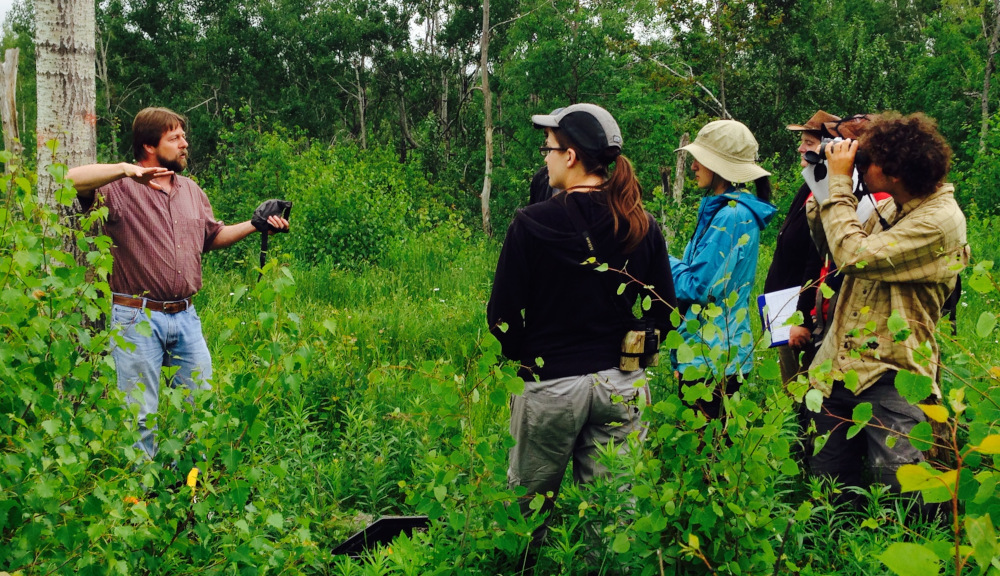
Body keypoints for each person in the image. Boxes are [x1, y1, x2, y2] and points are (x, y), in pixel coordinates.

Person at [487, 103, 676, 539]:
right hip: (622, 384)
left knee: (526, 514)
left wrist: (526, 358)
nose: (545, 157)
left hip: (550, 382)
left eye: (548, 148)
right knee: (614, 519)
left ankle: (522, 570)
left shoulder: (531, 223)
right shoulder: (640, 223)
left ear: (570, 156)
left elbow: (501, 316)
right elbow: (666, 312)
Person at [67, 107, 290, 460]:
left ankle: (189, 494)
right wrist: (127, 170)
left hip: (186, 318)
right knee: (139, 416)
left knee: (200, 410)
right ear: (149, 146)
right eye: (175, 138)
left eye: (184, 136)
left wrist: (255, 223)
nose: (185, 144)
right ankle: (136, 503)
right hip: (136, 320)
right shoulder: (118, 188)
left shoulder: (190, 190)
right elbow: (70, 179)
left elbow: (211, 236)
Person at [802, 112, 969, 509]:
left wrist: (841, 184)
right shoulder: (898, 204)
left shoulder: (940, 221)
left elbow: (854, 256)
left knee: (901, 495)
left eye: (867, 161)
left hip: (894, 373)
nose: (859, 165)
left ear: (893, 172)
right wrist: (823, 188)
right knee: (829, 493)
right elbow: (831, 248)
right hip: (840, 368)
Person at [670, 120, 777, 419]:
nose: (693, 166)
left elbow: (700, 287)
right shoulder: (728, 210)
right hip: (714, 351)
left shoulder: (731, 215)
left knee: (705, 449)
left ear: (719, 165)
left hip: (713, 355)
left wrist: (659, 258)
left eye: (699, 159)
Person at [763, 110, 839, 385]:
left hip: (799, 311)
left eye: (808, 142)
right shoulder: (810, 183)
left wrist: (803, 318)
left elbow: (817, 260)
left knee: (803, 395)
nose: (801, 148)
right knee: (790, 389)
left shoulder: (830, 194)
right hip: (782, 305)